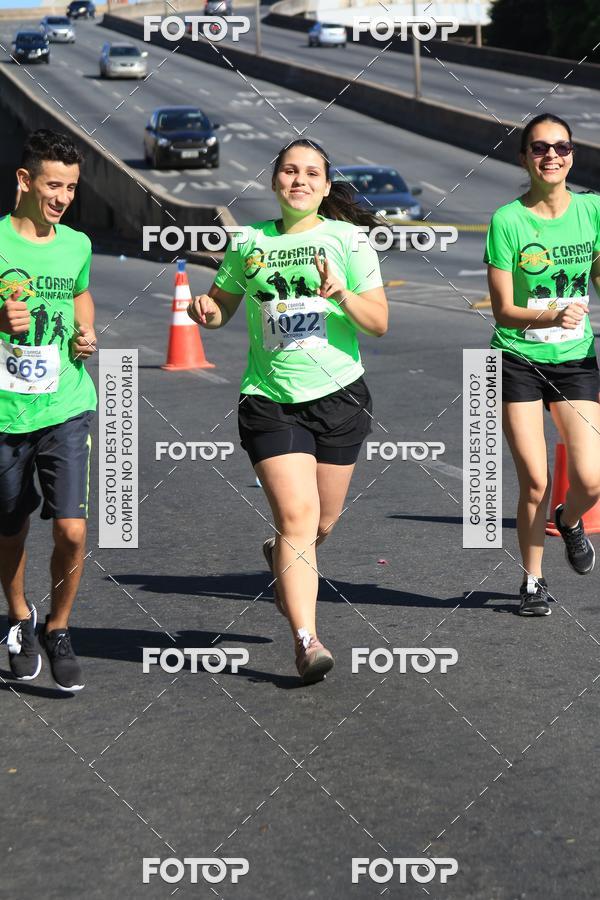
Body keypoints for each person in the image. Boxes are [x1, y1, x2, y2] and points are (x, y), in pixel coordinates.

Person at [188, 138, 388, 683]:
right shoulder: (248, 242)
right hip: (270, 400)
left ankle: (281, 556)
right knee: (298, 519)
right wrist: (204, 310)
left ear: (325, 187)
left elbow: (377, 322)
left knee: (321, 522)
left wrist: (341, 293)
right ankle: (307, 641)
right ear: (275, 181)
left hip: (340, 397)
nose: (299, 180)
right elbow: (220, 309)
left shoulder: (347, 240)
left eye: (311, 174)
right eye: (289, 172)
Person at [485, 113, 600, 616]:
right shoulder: (507, 220)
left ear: (572, 154)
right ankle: (532, 581)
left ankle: (569, 521)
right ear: (524, 158)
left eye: (560, 147)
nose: (551, 155)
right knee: (534, 478)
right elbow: (504, 310)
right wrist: (553, 311)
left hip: (575, 359)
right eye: (538, 148)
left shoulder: (594, 211)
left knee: (592, 479)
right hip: (517, 357)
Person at [0, 129, 97, 689]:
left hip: (66, 403)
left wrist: (86, 330)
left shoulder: (77, 245)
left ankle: (59, 626)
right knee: (9, 526)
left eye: (71, 187)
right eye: (52, 185)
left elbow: (80, 291)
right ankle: (18, 618)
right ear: (24, 181)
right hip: (7, 412)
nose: (62, 197)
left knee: (73, 529)